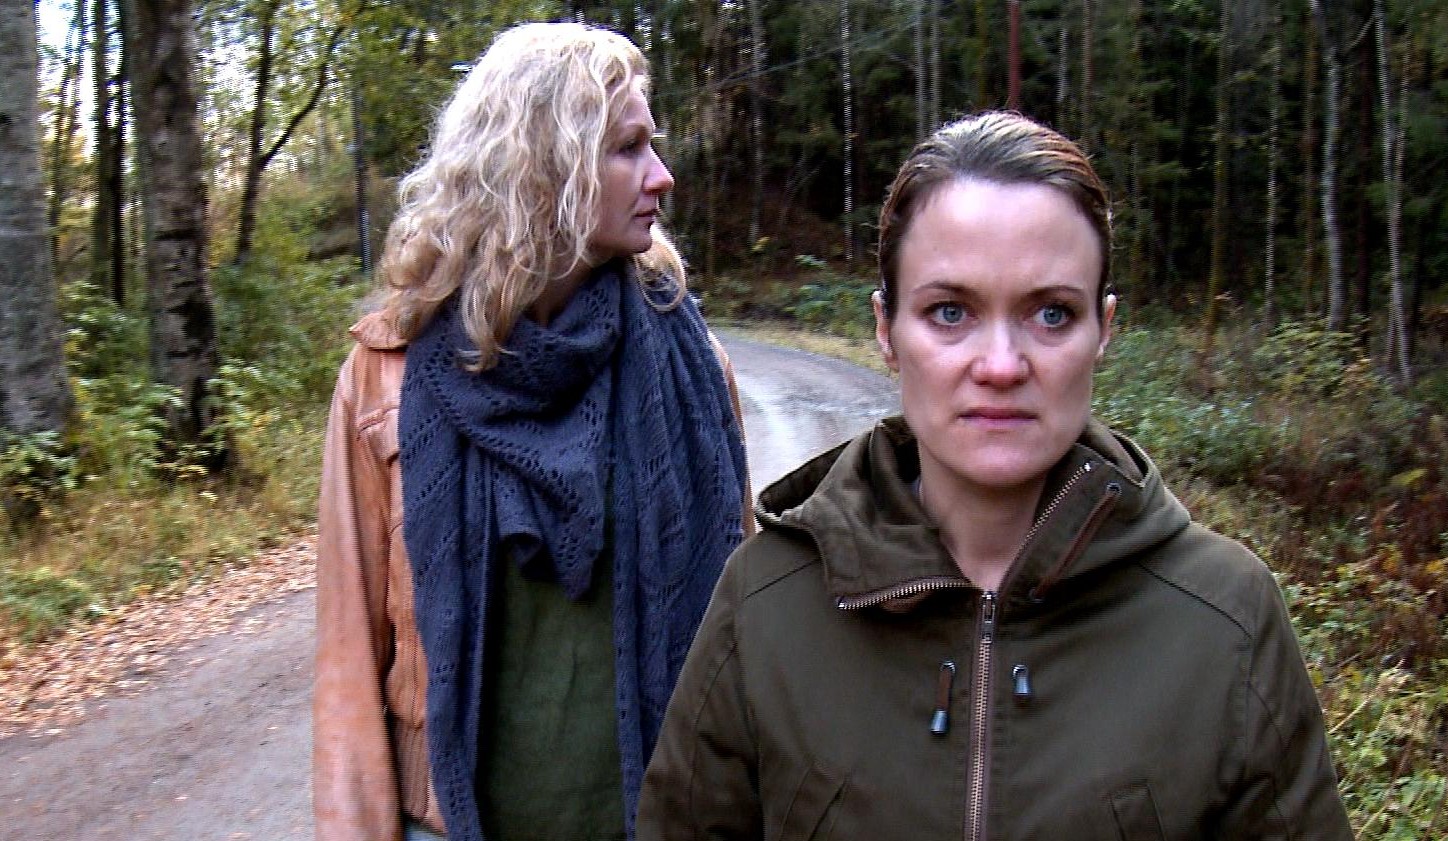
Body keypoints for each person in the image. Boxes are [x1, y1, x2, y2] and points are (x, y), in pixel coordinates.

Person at [636, 111, 1354, 840]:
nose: (1003, 365)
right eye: (951, 312)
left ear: (1103, 330)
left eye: (1052, 314)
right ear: (886, 329)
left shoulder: (1225, 617)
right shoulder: (766, 604)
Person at [313, 22, 752, 841]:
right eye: (628, 148)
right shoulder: (385, 378)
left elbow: (741, 635)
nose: (661, 175)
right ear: (546, 165)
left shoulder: (690, 366)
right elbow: (346, 670)